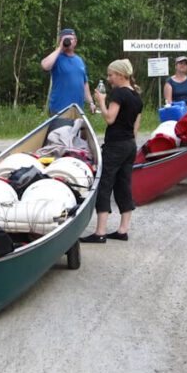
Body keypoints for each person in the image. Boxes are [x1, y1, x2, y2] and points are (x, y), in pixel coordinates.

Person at [81, 59, 143, 243]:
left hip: (115, 145)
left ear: (121, 75)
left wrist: (101, 100)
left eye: (111, 75)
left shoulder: (118, 93)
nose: (109, 79)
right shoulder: (137, 96)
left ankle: (100, 232)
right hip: (130, 144)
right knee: (124, 184)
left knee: (104, 183)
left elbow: (109, 118)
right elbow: (135, 128)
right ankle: (123, 230)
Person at [41, 28, 95, 115]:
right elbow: (45, 66)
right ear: (60, 41)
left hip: (77, 110)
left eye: (70, 39)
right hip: (59, 110)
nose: (68, 41)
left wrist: (91, 102)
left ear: (75, 41)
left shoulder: (79, 60)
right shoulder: (57, 58)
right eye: (65, 39)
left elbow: (84, 83)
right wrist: (60, 48)